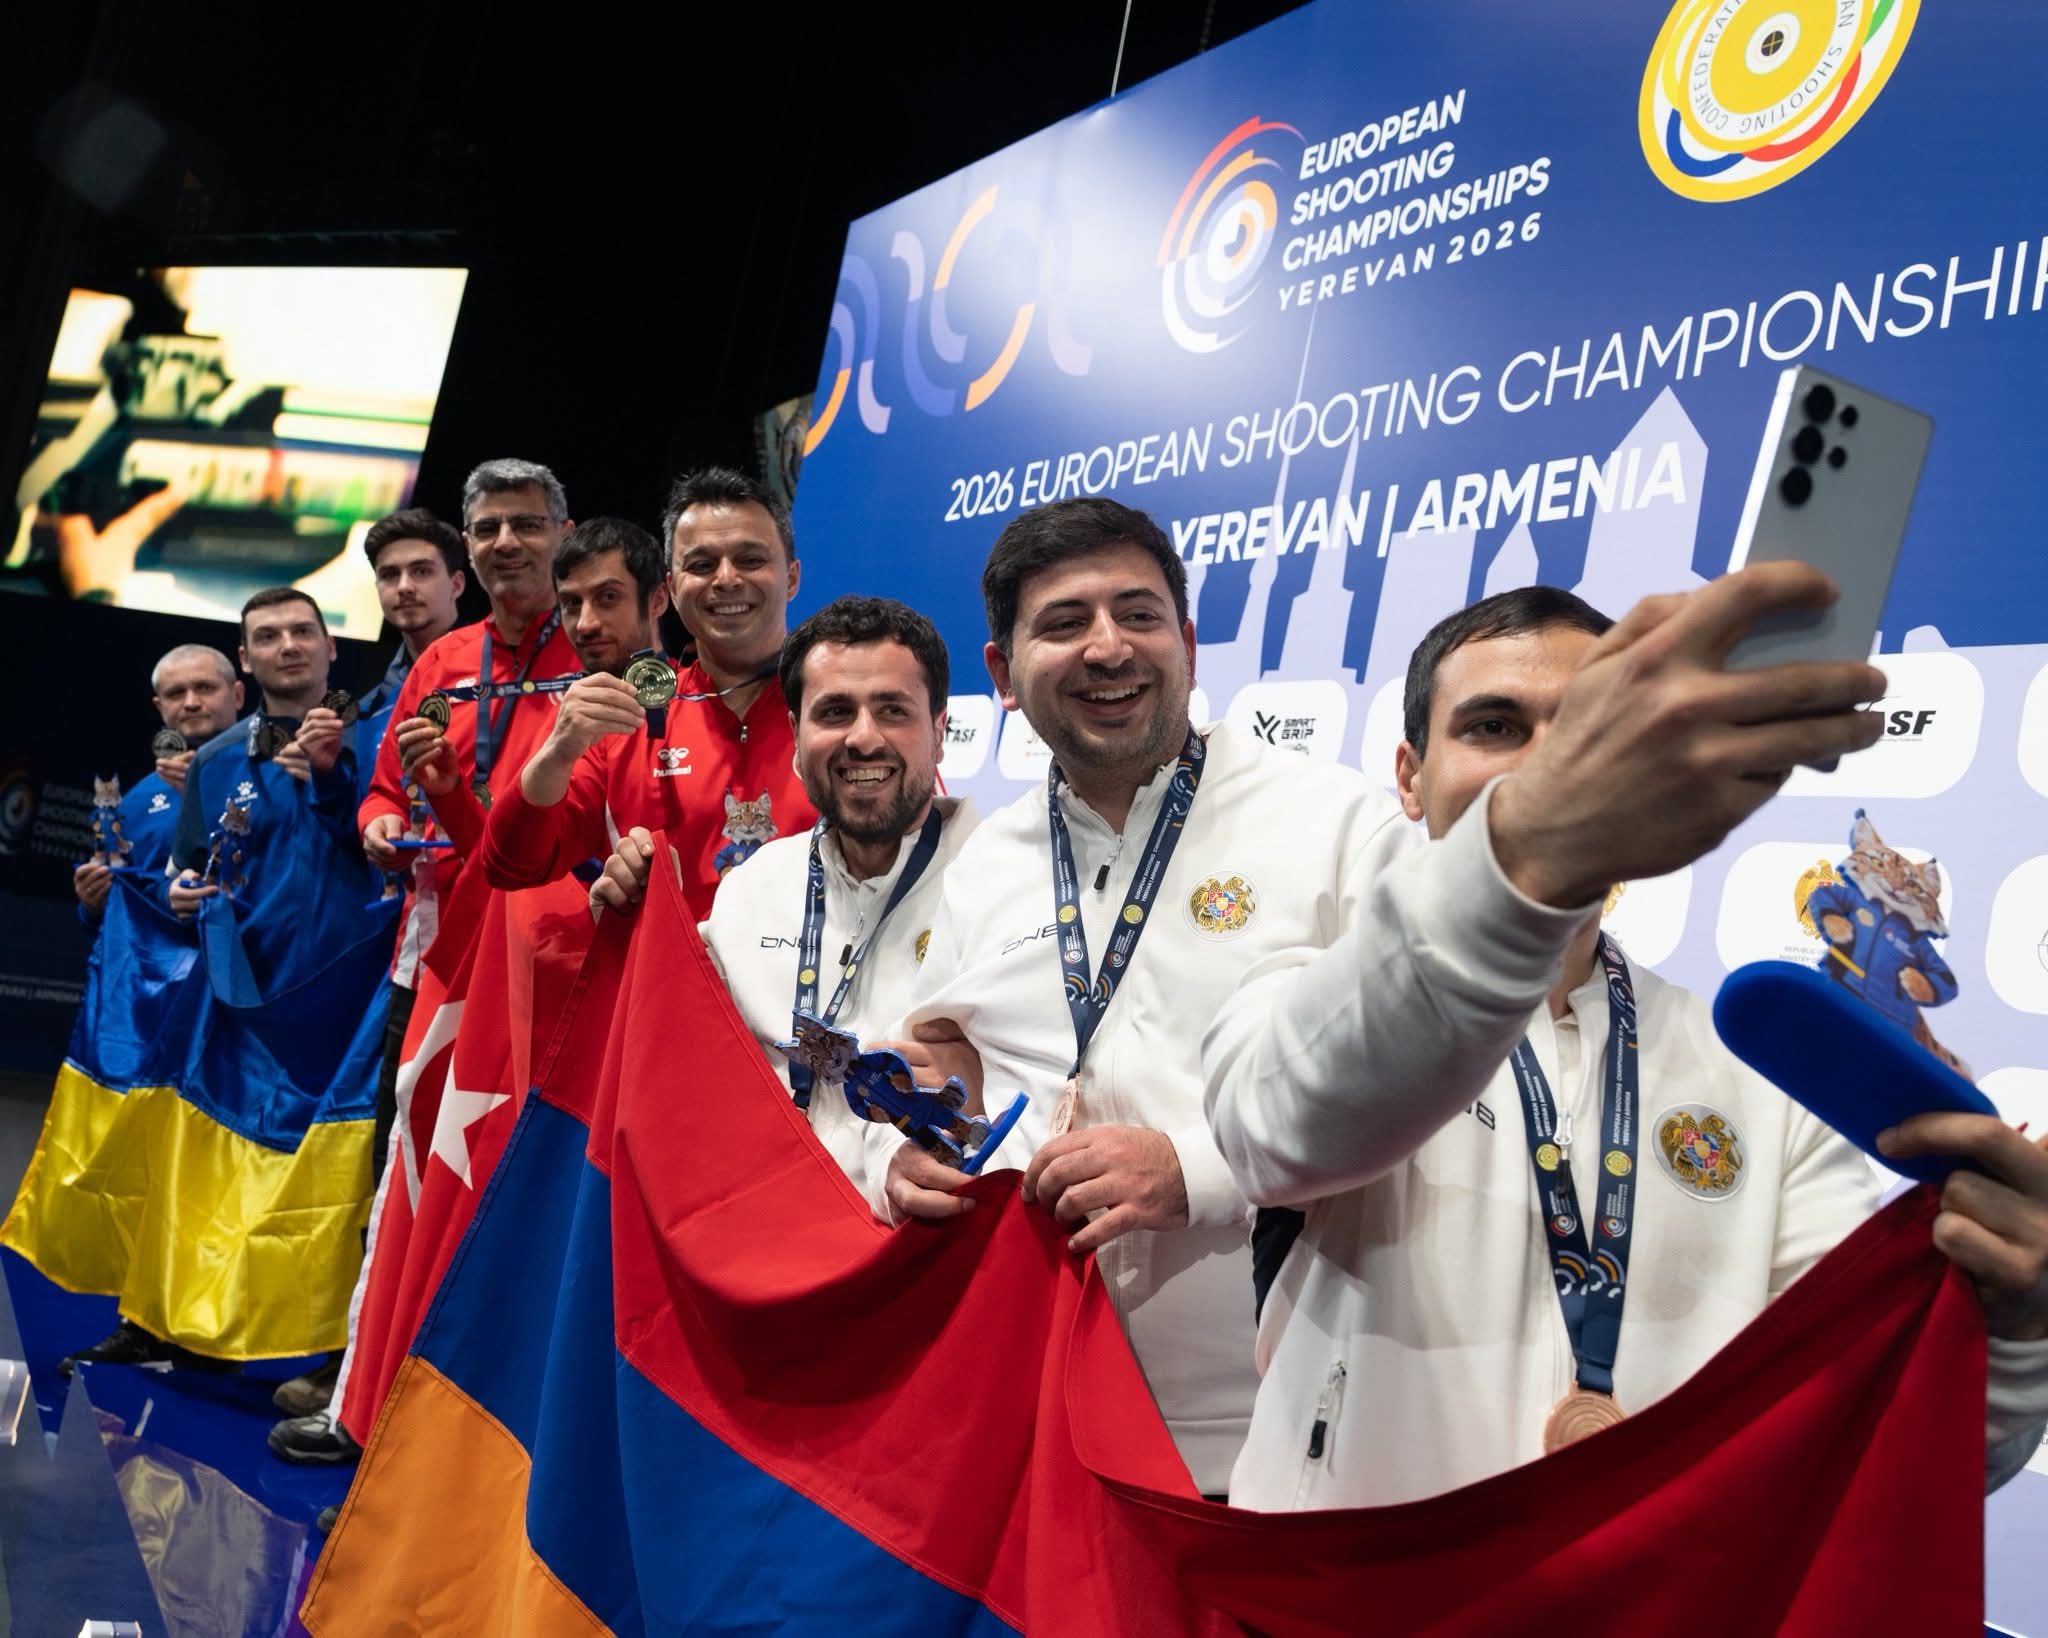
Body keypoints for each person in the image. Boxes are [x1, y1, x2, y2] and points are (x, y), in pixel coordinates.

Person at [1207, 585, 2048, 1508]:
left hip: (1651, 1580)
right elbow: (1282, 1129)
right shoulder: (1296, 997)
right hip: (1349, 1578)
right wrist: (1526, 861)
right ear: (1409, 777)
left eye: (1587, 728)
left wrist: (2014, 1341)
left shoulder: (1754, 1075)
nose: (1551, 764)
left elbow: (1878, 1442)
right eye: (1494, 727)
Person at [868, 498, 1421, 1497]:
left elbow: (1423, 1090)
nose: (1108, 647)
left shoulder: (1334, 826)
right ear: (1002, 674)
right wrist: (920, 1150)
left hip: (1279, 1437)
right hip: (1039, 1421)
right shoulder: (984, 861)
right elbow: (953, 1051)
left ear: (1188, 644)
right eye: (1064, 622)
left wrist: (1200, 1169)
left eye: (1138, 614)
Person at [266, 460, 580, 1444]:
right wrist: (375, 822)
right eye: (487, 529)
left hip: (550, 965)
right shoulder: (444, 659)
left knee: (514, 1181)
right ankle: (365, 1393)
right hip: (436, 948)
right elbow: (385, 787)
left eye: (525, 524)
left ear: (563, 533)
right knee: (405, 1169)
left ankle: (477, 1423)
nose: (505, 543)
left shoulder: (599, 652)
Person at [28, 587, 395, 1374]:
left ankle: (330, 1356)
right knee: (198, 1169)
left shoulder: (380, 743)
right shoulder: (218, 760)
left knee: (335, 1182)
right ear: (246, 660)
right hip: (235, 1000)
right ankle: (159, 1319)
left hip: (345, 1004)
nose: (287, 646)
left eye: (302, 632)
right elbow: (183, 869)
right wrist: (180, 892)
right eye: (268, 636)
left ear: (332, 647)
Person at [592, 596, 976, 1195]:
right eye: (835, 712)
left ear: (940, 730)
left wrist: (984, 1081)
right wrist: (630, 933)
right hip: (765, 1223)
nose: (863, 738)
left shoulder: (1001, 881)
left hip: (922, 1232)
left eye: (892, 710)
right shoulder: (751, 889)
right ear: (796, 735)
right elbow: (674, 1054)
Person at [482, 467, 814, 918]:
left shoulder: (842, 710)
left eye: (750, 560)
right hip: (669, 965)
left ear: (791, 578)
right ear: (672, 589)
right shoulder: (622, 721)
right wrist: (556, 753)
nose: (726, 579)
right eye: (701, 565)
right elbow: (510, 864)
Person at [74, 644, 241, 922]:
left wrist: (204, 799)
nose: (191, 702)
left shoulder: (275, 774)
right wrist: (93, 906)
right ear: (159, 707)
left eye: (205, 688)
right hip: (163, 948)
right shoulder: (135, 803)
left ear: (237, 695)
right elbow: (119, 917)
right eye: (176, 693)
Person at [359, 507, 467, 715]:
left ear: (456, 585)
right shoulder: (368, 712)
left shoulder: (499, 675)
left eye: (421, 571)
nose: (404, 587)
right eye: (390, 575)